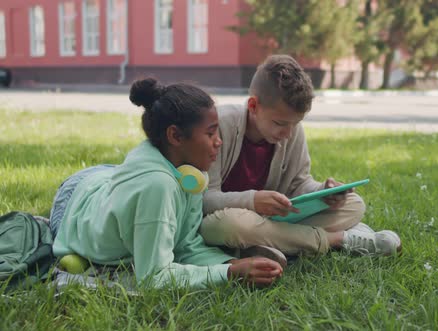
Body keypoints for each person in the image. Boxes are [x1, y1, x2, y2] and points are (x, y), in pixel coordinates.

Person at [50, 78, 283, 288]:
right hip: (72, 202)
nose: (219, 142)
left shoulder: (188, 171)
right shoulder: (158, 187)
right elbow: (153, 276)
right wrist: (230, 273)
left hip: (103, 179)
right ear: (175, 136)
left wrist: (232, 263)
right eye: (210, 133)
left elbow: (184, 246)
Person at [199, 55, 402, 258]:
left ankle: (267, 245)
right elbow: (205, 200)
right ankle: (339, 239)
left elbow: (298, 184)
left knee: (354, 204)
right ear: (253, 106)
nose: (288, 134)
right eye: (279, 124)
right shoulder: (219, 126)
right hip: (226, 217)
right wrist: (253, 201)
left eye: (294, 124)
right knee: (229, 226)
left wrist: (323, 192)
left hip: (274, 220)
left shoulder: (291, 129)